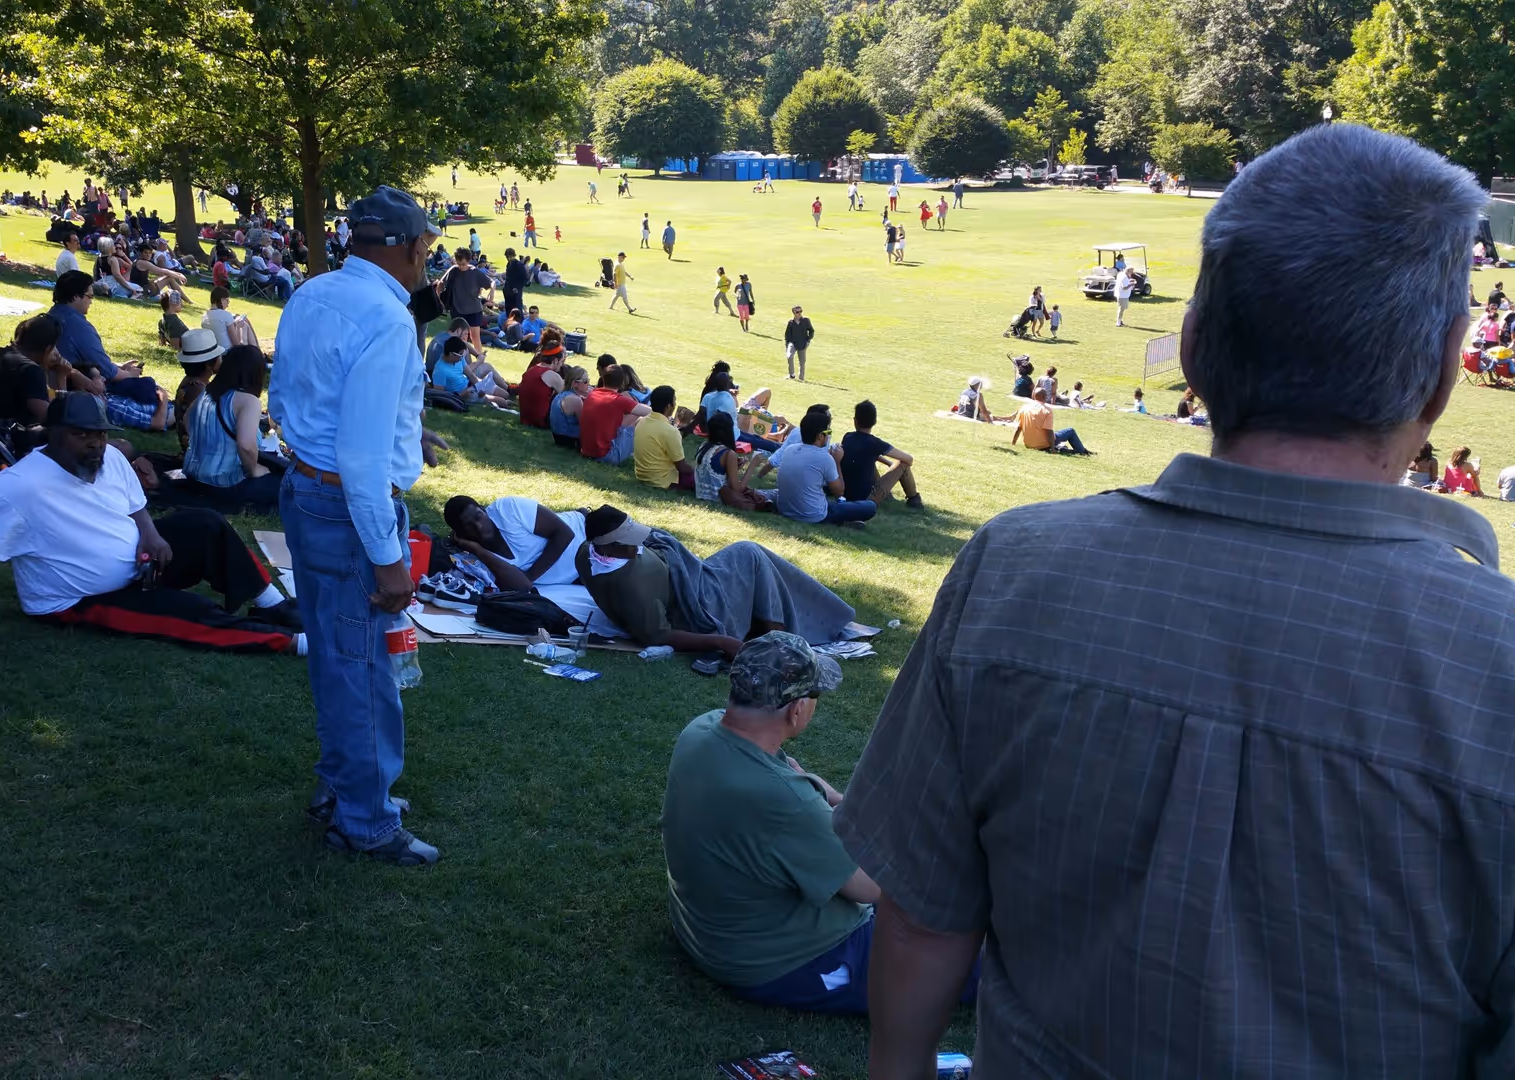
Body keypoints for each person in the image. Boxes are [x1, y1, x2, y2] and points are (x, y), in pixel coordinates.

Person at [836, 125, 1515, 1080]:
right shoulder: (1497, 661)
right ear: (1448, 370)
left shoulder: (1013, 569)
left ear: (1193, 344)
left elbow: (923, 912)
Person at [272, 185, 441, 866]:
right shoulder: (387, 318)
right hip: (348, 506)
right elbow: (362, 457)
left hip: (308, 489)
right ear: (403, 247)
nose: (427, 263)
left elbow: (286, 399)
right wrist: (388, 556)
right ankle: (365, 820)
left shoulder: (312, 293)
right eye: (426, 249)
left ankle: (342, 791)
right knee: (363, 666)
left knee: (337, 658)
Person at [0, 393, 298, 653]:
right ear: (53, 434)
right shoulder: (18, 486)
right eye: (81, 435)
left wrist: (150, 534)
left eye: (99, 434)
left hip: (142, 565)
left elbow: (136, 504)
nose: (95, 443)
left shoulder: (109, 456)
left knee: (206, 523)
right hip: (80, 598)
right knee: (191, 612)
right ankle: (293, 643)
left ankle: (272, 605)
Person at [663, 632, 892, 1013]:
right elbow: (874, 887)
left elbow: (788, 782)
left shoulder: (700, 730)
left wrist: (832, 799)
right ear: (796, 709)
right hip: (785, 962)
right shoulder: (787, 802)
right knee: (948, 947)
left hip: (709, 933)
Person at [575, 505, 856, 655]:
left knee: (753, 555)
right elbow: (657, 635)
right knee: (752, 554)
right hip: (698, 605)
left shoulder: (589, 551)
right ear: (608, 547)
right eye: (629, 541)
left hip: (691, 577)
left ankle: (794, 622)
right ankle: (780, 634)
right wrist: (721, 642)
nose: (636, 545)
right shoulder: (628, 584)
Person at [45, 271, 170, 432]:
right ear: (76, 297)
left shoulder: (53, 314)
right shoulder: (78, 325)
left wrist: (119, 366)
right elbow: (108, 372)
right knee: (147, 387)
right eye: (89, 296)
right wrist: (130, 374)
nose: (91, 301)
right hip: (81, 386)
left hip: (70, 381)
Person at [182, 343, 284, 512]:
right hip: (224, 484)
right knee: (288, 485)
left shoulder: (207, 392)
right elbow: (245, 445)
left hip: (193, 476)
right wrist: (254, 470)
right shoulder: (248, 401)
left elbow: (187, 420)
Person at [442, 495, 584, 589]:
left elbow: (564, 533)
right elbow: (523, 587)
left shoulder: (507, 509)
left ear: (484, 510)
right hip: (577, 578)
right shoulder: (476, 560)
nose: (478, 526)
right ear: (461, 533)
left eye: (479, 516)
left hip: (588, 536)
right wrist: (478, 550)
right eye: (469, 525)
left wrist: (529, 577)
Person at [762, 412, 876, 528]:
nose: (829, 436)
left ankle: (844, 521)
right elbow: (839, 492)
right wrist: (837, 461)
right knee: (870, 506)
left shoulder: (790, 450)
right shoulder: (825, 458)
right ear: (820, 436)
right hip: (813, 515)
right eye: (828, 432)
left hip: (785, 509)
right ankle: (842, 521)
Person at [839, 400, 921, 508]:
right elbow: (909, 459)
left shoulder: (847, 437)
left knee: (866, 460)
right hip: (867, 499)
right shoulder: (875, 443)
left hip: (845, 492)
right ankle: (914, 500)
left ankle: (891, 497)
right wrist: (893, 464)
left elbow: (864, 452)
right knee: (903, 464)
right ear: (875, 422)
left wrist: (888, 463)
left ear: (855, 421)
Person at [695, 413, 776, 512]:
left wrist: (735, 468)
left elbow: (716, 475)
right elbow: (738, 489)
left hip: (700, 493)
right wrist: (752, 465)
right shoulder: (728, 453)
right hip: (719, 498)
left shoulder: (703, 446)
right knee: (767, 495)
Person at [580, 365, 652, 464]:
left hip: (586, 451)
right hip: (607, 456)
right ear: (622, 382)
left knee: (634, 415)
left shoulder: (592, 394)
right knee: (641, 420)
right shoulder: (618, 400)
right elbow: (650, 412)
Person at [634, 387, 693, 491]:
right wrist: (696, 471)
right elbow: (682, 468)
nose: (675, 405)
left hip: (642, 476)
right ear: (668, 406)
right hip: (663, 481)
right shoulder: (670, 431)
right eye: (674, 401)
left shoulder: (641, 421)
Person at [1010, 387, 1090, 454]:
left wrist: (1013, 443)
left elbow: (1019, 428)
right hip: (1043, 444)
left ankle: (1068, 449)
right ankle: (1083, 451)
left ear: (1034, 396)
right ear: (1045, 397)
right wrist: (1052, 449)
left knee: (1058, 433)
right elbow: (1048, 431)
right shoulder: (1047, 410)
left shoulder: (1025, 408)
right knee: (1070, 431)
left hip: (1029, 443)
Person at [517, 334, 566, 430]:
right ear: (555, 360)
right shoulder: (552, 375)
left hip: (525, 418)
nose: (561, 365)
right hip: (541, 421)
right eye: (561, 362)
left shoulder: (531, 370)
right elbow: (568, 394)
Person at [440, 247, 487, 328]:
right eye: (459, 264)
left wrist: (492, 292)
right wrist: (440, 300)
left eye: (463, 264)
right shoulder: (453, 270)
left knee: (474, 337)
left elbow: (490, 283)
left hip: (473, 309)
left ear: (468, 261)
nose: (461, 266)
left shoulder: (474, 272)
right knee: (458, 335)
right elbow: (440, 283)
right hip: (457, 310)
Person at [549, 364, 590, 448]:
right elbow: (585, 425)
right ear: (575, 383)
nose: (588, 384)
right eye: (585, 381)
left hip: (558, 436)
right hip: (570, 440)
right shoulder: (575, 400)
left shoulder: (560, 395)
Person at [783, 306, 814, 381]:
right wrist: (787, 344)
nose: (799, 313)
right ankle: (791, 375)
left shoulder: (806, 321)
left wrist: (808, 341)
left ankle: (801, 378)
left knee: (802, 362)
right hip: (793, 343)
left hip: (803, 343)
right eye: (797, 312)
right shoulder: (791, 322)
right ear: (794, 313)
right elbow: (787, 335)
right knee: (789, 356)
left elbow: (811, 331)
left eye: (800, 311)